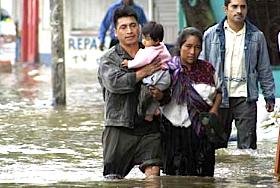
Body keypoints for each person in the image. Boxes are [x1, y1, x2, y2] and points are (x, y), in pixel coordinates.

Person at [98, 6, 166, 179]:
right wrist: (143, 72)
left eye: (133, 25)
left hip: (149, 126)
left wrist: (162, 96)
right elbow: (115, 83)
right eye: (124, 27)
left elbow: (170, 81)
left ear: (139, 27)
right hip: (120, 126)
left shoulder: (154, 51)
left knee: (154, 173)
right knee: (113, 178)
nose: (129, 31)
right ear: (115, 32)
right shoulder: (109, 59)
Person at [200, 0, 275, 150]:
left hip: (245, 98)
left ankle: (246, 175)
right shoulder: (211, 34)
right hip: (218, 98)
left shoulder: (257, 36)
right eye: (234, 6)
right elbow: (203, 67)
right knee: (216, 148)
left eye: (243, 7)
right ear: (226, 9)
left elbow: (264, 68)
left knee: (247, 150)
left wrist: (269, 96)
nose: (239, 11)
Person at [160, 27, 222, 176]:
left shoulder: (207, 69)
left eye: (197, 47)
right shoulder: (167, 69)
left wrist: (214, 110)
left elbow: (219, 92)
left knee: (203, 177)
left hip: (201, 131)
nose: (192, 52)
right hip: (173, 131)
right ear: (180, 46)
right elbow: (158, 98)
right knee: (174, 177)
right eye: (188, 46)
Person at [121, 21, 171, 122]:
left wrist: (129, 64)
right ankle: (155, 110)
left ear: (156, 40)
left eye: (147, 39)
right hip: (165, 77)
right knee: (154, 96)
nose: (144, 41)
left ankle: (149, 114)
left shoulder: (151, 51)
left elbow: (141, 61)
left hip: (158, 77)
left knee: (147, 92)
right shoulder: (161, 46)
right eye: (143, 38)